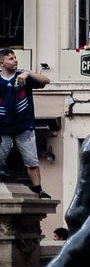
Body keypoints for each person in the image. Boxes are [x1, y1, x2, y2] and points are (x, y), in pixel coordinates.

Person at [0, 50, 50, 198]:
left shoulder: (23, 76)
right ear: (1, 63)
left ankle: (38, 189)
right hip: (3, 129)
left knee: (32, 161)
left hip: (24, 127)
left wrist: (28, 73)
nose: (15, 60)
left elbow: (46, 80)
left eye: (15, 58)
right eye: (10, 59)